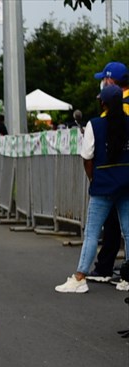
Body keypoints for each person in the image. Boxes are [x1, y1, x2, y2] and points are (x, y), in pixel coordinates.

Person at [55, 85, 129, 293]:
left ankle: (80, 277)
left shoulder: (94, 125)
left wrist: (93, 178)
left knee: (92, 233)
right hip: (126, 183)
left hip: (103, 185)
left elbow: (87, 157)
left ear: (103, 103)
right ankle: (128, 277)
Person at [86, 61, 129, 286]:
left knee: (108, 225)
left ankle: (99, 268)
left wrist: (94, 175)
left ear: (111, 81)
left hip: (112, 175)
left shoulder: (119, 108)